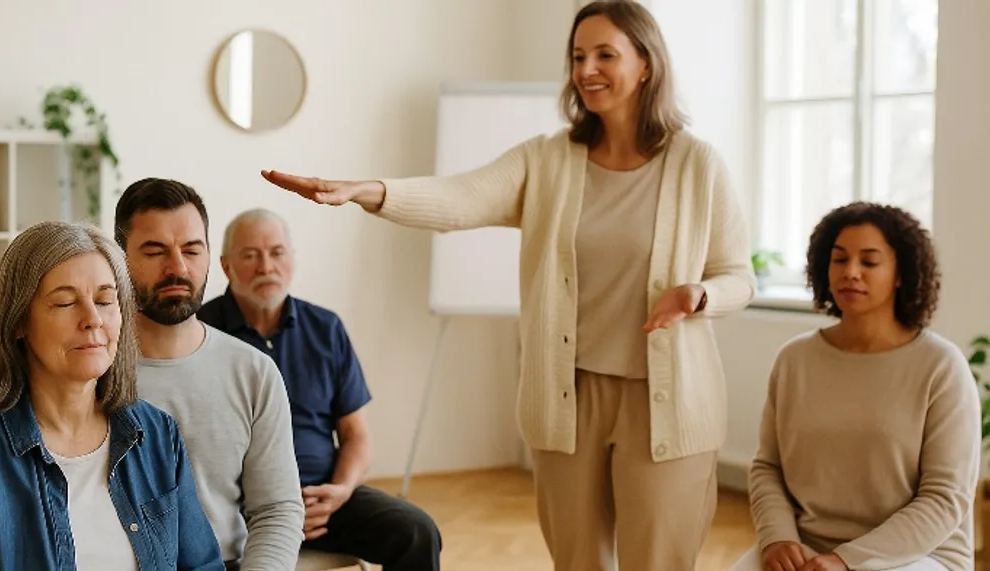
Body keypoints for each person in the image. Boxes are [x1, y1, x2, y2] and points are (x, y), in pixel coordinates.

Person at [259, 1, 756, 569]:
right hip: (569, 399)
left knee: (660, 561)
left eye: (605, 55)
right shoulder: (548, 161)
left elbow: (738, 275)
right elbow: (458, 197)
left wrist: (701, 296)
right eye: (577, 56)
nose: (586, 69)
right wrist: (366, 190)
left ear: (646, 64)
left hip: (667, 402)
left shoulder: (698, 165)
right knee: (576, 560)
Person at [0, 221, 224, 571]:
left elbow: (202, 565)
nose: (93, 319)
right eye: (64, 303)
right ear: (18, 322)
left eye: (105, 300)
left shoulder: (158, 434)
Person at [733, 202, 980, 571]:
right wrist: (778, 538)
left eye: (869, 262)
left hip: (919, 554)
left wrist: (847, 560)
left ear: (900, 273)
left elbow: (944, 498)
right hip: (806, 547)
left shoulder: (941, 367)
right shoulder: (794, 360)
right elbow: (768, 466)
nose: (851, 272)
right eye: (839, 259)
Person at [198, 208, 443, 570]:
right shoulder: (200, 332)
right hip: (236, 507)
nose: (266, 266)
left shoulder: (326, 328)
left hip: (322, 501)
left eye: (277, 252)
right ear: (226, 265)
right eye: (250, 255)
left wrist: (340, 492)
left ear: (293, 259)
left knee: (416, 532)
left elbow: (356, 435)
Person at [114, 178, 305, 571]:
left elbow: (277, 510)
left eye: (191, 249)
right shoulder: (91, 371)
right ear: (119, 260)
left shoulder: (253, 371)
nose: (177, 268)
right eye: (155, 251)